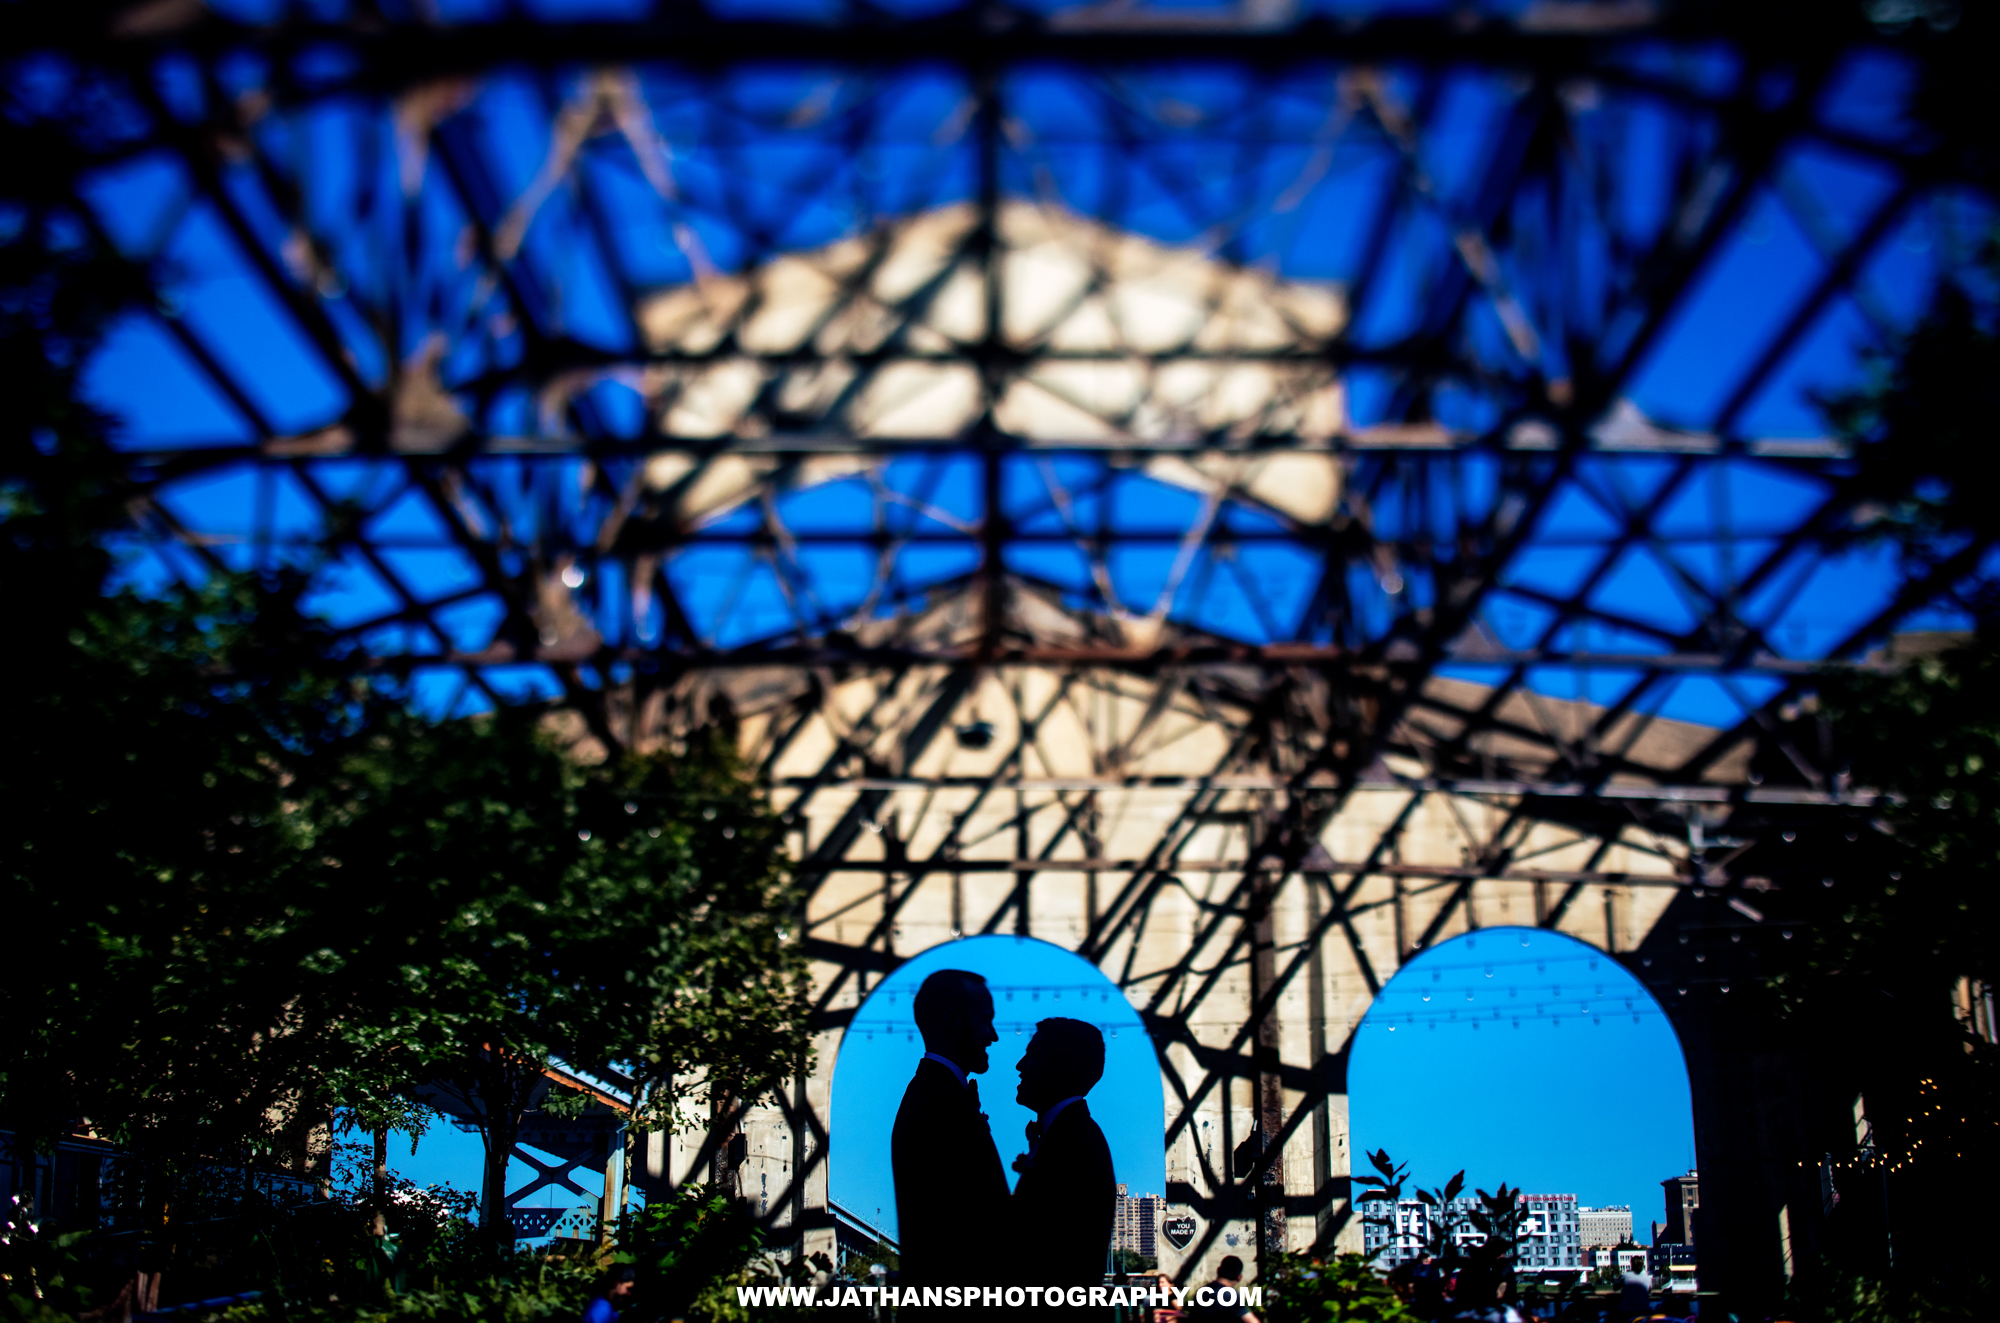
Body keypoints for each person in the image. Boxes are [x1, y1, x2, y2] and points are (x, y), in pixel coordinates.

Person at [891, 969, 1010, 1289]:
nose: (993, 1034)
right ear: (954, 1021)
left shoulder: (931, 1094)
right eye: (987, 1020)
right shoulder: (941, 1103)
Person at [1010, 1017, 1118, 1292]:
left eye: (1032, 1054)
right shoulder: (1075, 1136)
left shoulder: (1072, 1144)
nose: (1020, 1066)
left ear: (1066, 1067)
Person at [1183, 1256, 1259, 1323]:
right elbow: (1251, 1320)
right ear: (1239, 1278)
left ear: (1218, 1270)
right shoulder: (1231, 1296)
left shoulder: (1201, 1292)